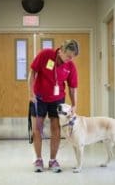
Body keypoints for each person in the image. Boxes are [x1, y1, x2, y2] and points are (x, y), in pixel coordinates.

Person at [28, 39, 79, 173]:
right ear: (61, 50)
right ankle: (38, 159)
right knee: (37, 128)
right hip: (39, 97)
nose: (70, 59)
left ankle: (53, 160)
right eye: (68, 56)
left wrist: (74, 105)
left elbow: (73, 88)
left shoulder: (70, 66)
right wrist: (31, 93)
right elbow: (33, 73)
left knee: (55, 129)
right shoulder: (45, 55)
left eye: (73, 57)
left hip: (57, 100)